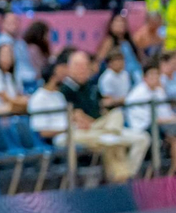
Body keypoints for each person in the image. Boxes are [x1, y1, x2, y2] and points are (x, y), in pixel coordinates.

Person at [59, 48, 148, 183]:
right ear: (70, 68)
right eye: (78, 66)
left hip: (103, 126)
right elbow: (76, 116)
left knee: (141, 137)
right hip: (87, 130)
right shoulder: (65, 89)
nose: (83, 69)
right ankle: (122, 179)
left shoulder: (91, 85)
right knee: (109, 144)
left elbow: (103, 107)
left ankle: (128, 172)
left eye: (85, 65)